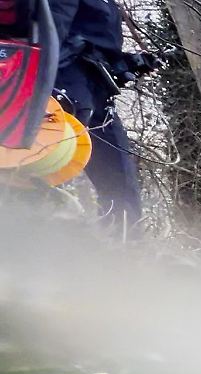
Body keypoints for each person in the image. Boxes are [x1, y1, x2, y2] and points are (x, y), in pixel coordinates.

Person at [49, 0, 154, 233]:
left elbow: (99, 44)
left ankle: (124, 244)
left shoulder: (107, 5)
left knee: (120, 179)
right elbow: (48, 35)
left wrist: (129, 63)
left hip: (98, 93)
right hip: (64, 87)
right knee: (51, 166)